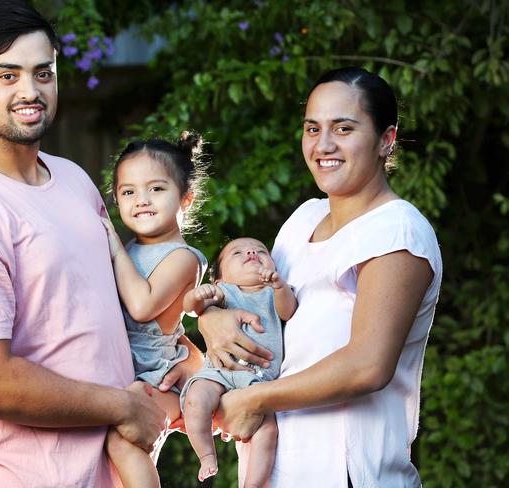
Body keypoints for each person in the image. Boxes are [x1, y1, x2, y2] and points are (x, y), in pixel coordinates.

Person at [0, 1, 196, 486]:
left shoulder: (74, 181)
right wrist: (122, 406)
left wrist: (201, 362)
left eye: (44, 73)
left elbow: (124, 315)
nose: (30, 91)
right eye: (7, 75)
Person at [198, 67, 443, 487]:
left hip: (350, 474)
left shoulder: (397, 231)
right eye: (313, 128)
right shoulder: (303, 219)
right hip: (276, 470)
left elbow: (367, 366)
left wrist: (255, 397)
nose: (323, 145)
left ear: (387, 139)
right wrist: (211, 319)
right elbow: (257, 305)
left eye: (343, 128)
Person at [101, 132, 208, 488]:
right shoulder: (132, 248)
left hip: (157, 378)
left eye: (156, 189)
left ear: (186, 199)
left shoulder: (182, 258)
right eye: (128, 192)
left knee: (123, 442)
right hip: (128, 375)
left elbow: (143, 305)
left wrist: (114, 248)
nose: (141, 200)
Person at [180, 237, 296, 484]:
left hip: (258, 378)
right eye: (237, 253)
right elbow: (192, 308)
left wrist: (278, 286)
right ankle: (207, 455)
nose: (251, 252)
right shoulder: (225, 292)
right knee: (196, 399)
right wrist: (196, 296)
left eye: (261, 250)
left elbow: (288, 311)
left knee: (267, 431)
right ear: (219, 278)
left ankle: (253, 484)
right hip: (219, 370)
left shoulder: (274, 292)